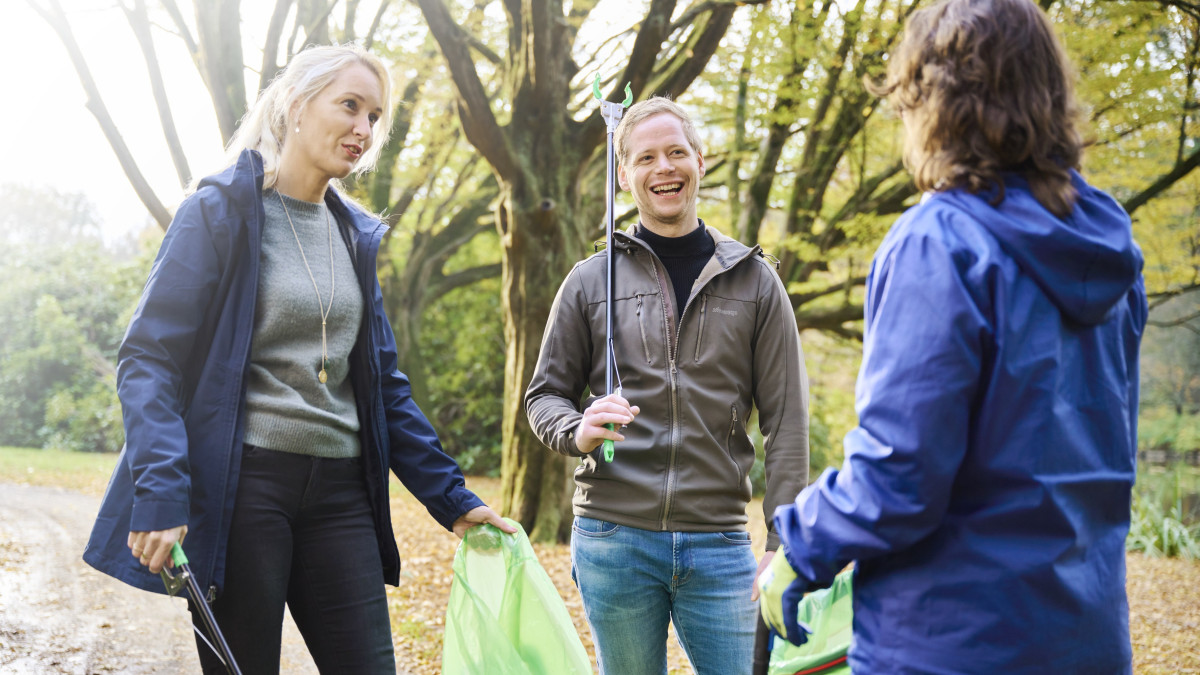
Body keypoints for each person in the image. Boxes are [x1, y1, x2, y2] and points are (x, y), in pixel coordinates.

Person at [83, 44, 515, 674]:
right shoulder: (219, 213)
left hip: (342, 495)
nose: (364, 129)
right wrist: (162, 491)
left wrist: (451, 499)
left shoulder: (354, 236)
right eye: (350, 106)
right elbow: (149, 358)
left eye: (374, 115)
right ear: (295, 104)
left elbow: (382, 384)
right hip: (244, 489)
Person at [756, 0, 1147, 671]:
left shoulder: (940, 241)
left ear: (932, 101)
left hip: (951, 641)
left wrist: (798, 546)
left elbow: (898, 476)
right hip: (1086, 639)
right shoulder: (1110, 250)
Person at [525, 96, 810, 675]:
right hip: (612, 538)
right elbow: (543, 396)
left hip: (721, 545)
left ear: (700, 162)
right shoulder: (587, 281)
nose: (664, 168)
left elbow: (787, 424)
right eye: (646, 157)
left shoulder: (756, 281)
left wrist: (783, 543)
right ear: (624, 174)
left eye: (677, 152)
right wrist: (576, 428)